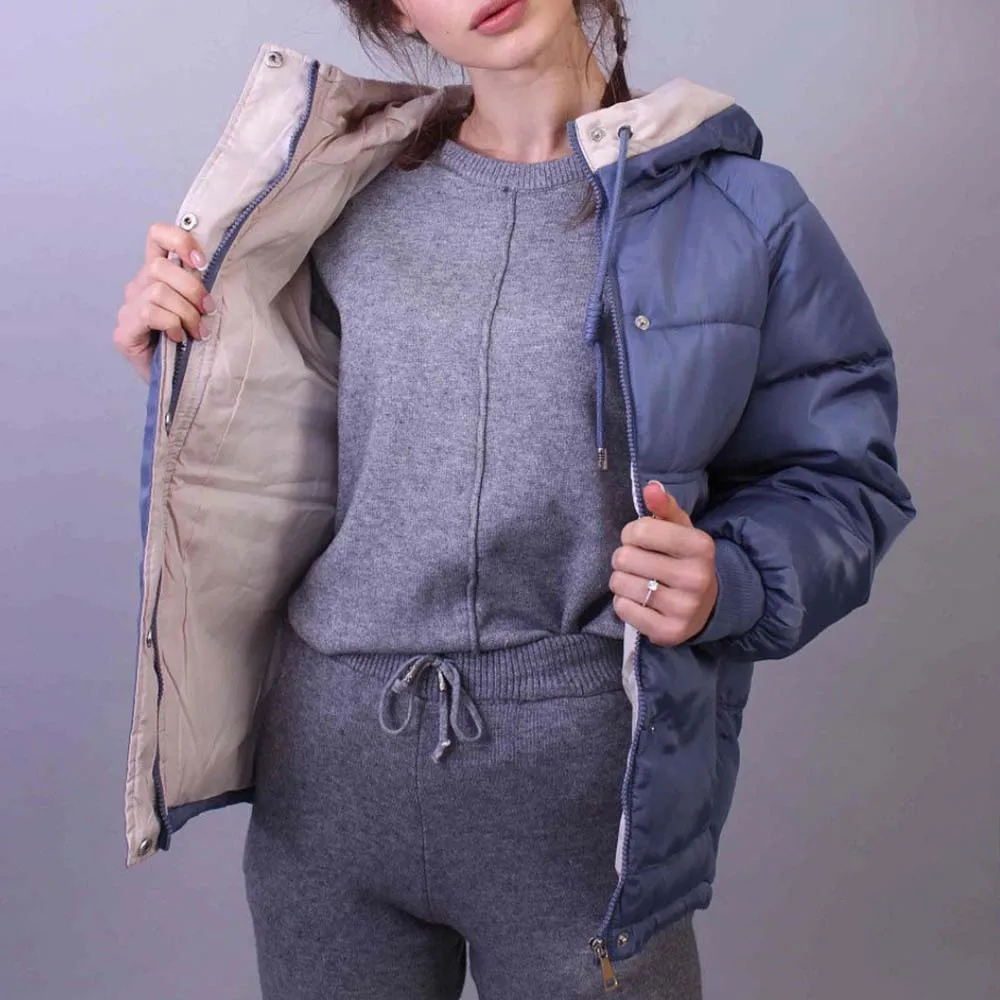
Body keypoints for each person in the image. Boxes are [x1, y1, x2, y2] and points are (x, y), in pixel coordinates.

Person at [110, 1, 916, 996]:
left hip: (578, 800)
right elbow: (292, 447)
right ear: (398, 14)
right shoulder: (334, 191)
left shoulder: (741, 210)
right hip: (326, 779)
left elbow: (842, 478)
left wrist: (733, 579)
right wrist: (193, 362)